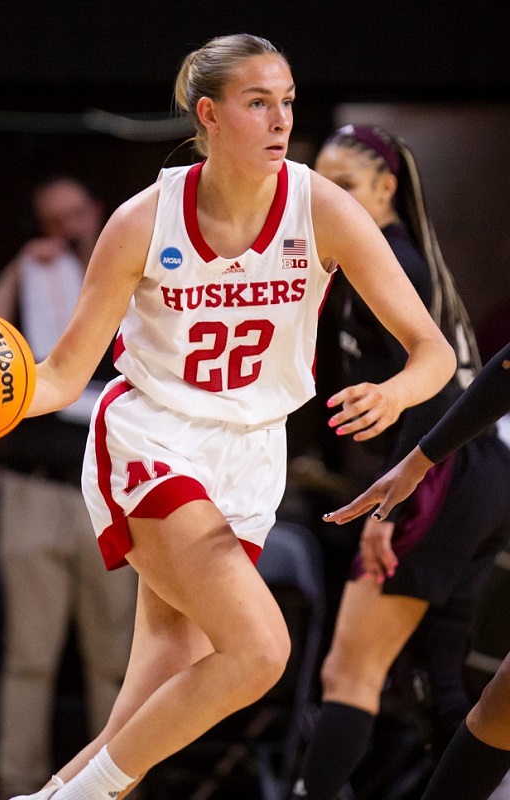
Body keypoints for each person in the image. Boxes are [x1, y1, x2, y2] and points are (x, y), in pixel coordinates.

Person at [0, 33, 461, 800]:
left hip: (250, 453)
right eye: (258, 103)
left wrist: (396, 394)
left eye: (287, 103)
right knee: (260, 650)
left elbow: (432, 353)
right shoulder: (143, 221)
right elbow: (62, 375)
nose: (280, 120)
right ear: (208, 115)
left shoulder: (323, 207)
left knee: (148, 705)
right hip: (154, 438)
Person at [288, 126, 510, 800]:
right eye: (321, 187)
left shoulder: (394, 263)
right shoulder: (371, 264)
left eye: (346, 186)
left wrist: (393, 507)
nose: (330, 200)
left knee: (349, 672)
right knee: (442, 679)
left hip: (444, 474)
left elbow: (439, 385)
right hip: (482, 475)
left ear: (386, 189)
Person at [0, 176, 137, 799]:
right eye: (53, 220)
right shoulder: (35, 278)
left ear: (96, 209)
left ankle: (115, 790)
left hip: (115, 487)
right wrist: (20, 268)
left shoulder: (137, 271)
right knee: (28, 657)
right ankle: (16, 787)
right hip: (36, 488)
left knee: (116, 661)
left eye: (75, 213)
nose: (67, 228)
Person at [325, 339, 510, 800]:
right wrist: (417, 463)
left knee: (354, 671)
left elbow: (439, 362)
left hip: (469, 477)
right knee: (484, 699)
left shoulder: (401, 269)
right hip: (475, 466)